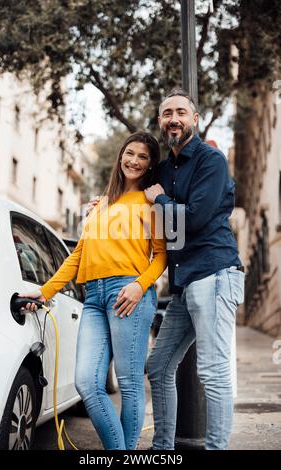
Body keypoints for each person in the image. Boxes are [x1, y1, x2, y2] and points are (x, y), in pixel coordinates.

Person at [19, 132, 167, 450]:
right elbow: (77, 257)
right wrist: (45, 291)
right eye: (130, 153)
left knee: (128, 384)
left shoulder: (150, 202)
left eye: (143, 157)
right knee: (87, 382)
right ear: (120, 156)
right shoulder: (101, 204)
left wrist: (140, 286)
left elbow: (162, 257)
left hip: (128, 292)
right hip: (94, 297)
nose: (135, 161)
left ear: (150, 164)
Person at [143, 89, 245, 450]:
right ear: (160, 120)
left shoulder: (210, 160)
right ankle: (162, 451)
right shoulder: (163, 168)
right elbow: (137, 202)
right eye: (167, 112)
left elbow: (194, 220)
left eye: (181, 112)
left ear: (194, 119)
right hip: (185, 282)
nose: (174, 119)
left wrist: (160, 201)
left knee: (213, 373)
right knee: (158, 366)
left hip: (215, 273)